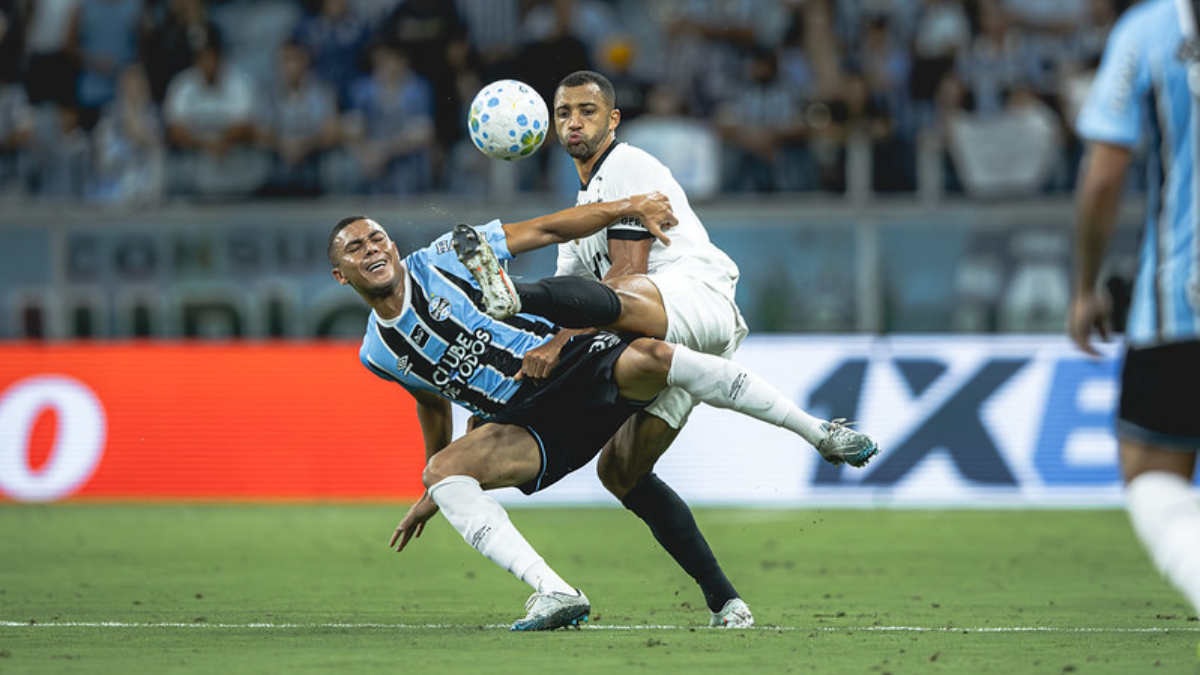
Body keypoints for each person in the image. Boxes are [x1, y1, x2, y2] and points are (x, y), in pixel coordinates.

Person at [328, 196, 879, 631]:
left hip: (568, 360)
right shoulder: (377, 353)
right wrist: (435, 490)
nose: (371, 249)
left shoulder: (442, 257)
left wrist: (625, 207)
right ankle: (555, 592)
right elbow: (430, 402)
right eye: (355, 248)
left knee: (653, 357)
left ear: (393, 246)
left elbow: (546, 229)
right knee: (443, 472)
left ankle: (820, 433)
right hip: (525, 422)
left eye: (377, 238)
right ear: (341, 274)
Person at [482, 70, 759, 628]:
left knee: (599, 321)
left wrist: (561, 339)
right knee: (622, 472)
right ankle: (728, 603)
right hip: (663, 335)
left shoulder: (628, 166)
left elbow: (626, 277)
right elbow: (574, 297)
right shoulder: (586, 203)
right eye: (564, 113)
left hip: (688, 305)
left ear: (612, 120)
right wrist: (543, 344)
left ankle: (510, 295)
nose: (574, 122)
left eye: (587, 111)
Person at [1068, 0, 1200, 618]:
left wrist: (1084, 287)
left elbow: (1103, 178)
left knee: (1153, 476)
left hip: (1183, 301)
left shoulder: (1149, 31)